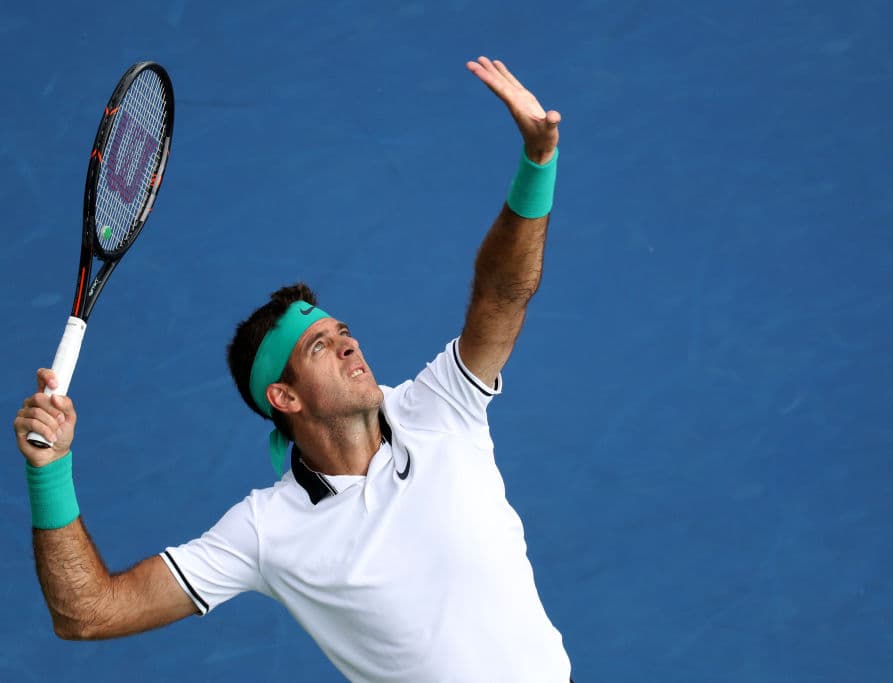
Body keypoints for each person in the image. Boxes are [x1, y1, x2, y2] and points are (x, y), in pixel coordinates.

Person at [13, 56, 572, 682]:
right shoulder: (265, 530)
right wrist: (50, 472)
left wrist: (537, 163)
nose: (349, 347)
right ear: (284, 396)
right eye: (320, 347)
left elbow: (502, 295)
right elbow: (88, 614)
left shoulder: (440, 407)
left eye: (344, 333)